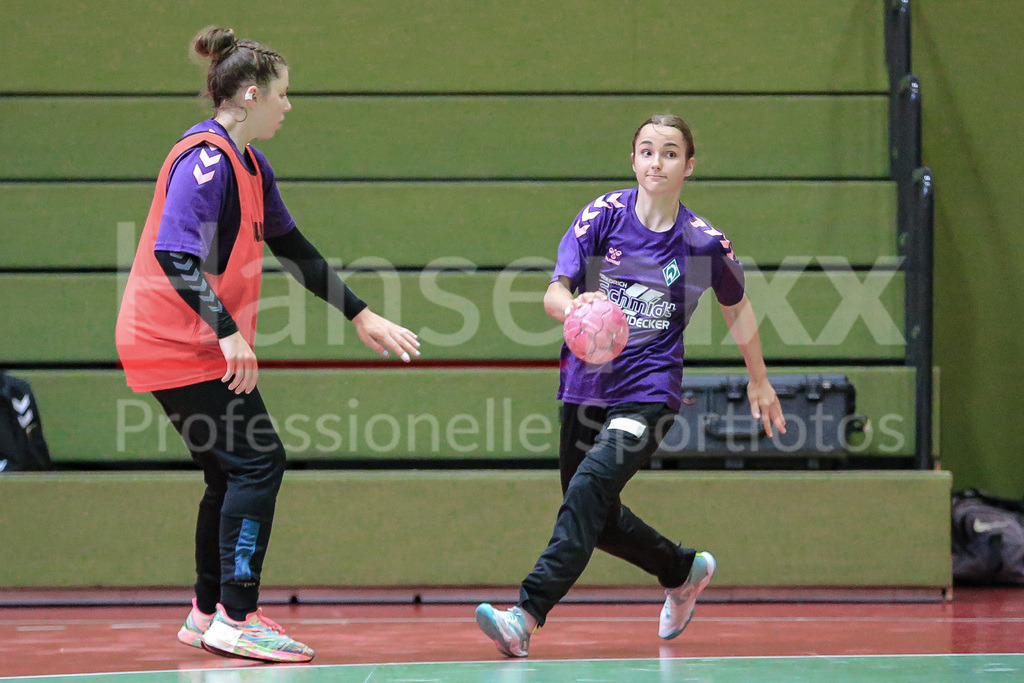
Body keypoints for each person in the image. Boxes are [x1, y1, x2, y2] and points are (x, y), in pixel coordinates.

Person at [115, 26, 420, 663]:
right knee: (260, 460)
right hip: (175, 339)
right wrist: (227, 335)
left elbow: (295, 250)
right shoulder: (206, 160)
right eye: (283, 94)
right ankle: (238, 613)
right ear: (251, 94)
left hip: (181, 340)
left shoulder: (250, 165)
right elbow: (176, 253)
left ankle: (207, 612)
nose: (289, 106)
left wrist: (360, 315)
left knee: (229, 470)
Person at [475, 114, 787, 657]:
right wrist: (576, 307)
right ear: (634, 161)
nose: (656, 162)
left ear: (688, 165)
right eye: (646, 151)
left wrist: (759, 380)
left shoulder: (702, 243)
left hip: (648, 390)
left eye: (669, 153)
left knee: (589, 489)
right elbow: (554, 291)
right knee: (592, 513)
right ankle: (682, 569)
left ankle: (524, 616)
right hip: (583, 387)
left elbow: (737, 305)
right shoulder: (604, 216)